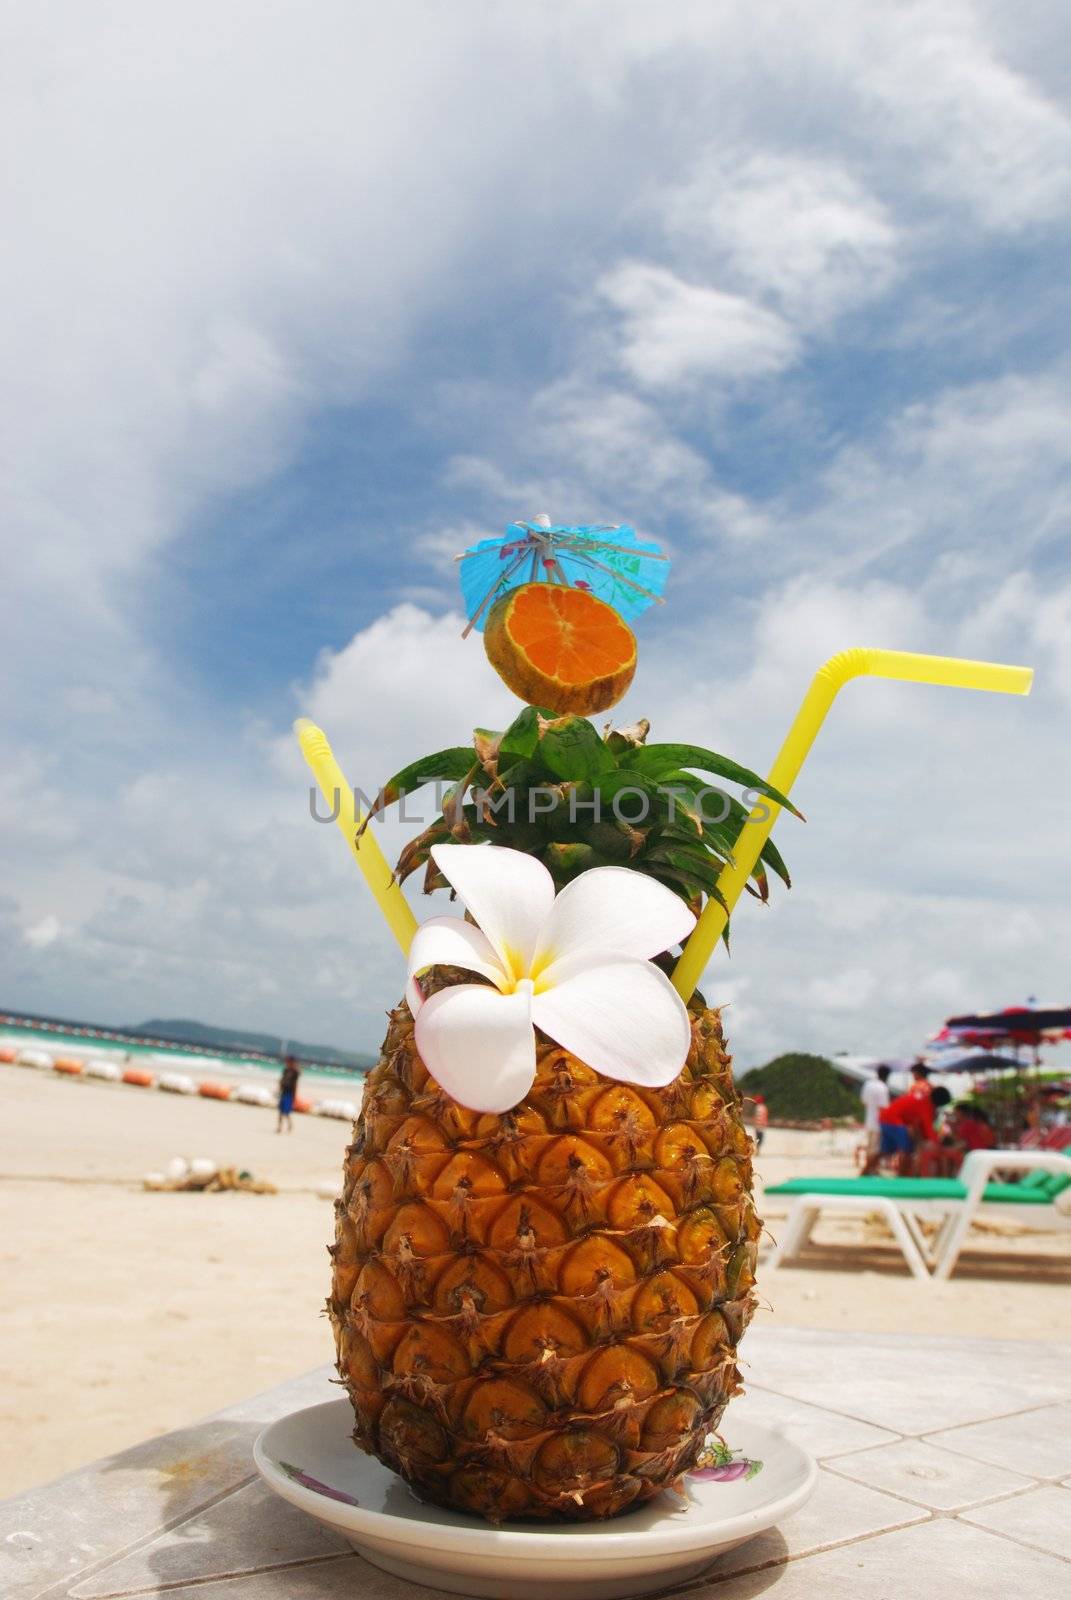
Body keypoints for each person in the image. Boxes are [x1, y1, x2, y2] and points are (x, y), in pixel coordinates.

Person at [878, 1082, 950, 1175]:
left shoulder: (923, 1098)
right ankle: (902, 1178)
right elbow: (927, 1128)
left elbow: (919, 1125)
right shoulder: (927, 1104)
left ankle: (864, 1173)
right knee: (907, 1149)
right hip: (895, 1121)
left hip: (886, 1118)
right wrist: (937, 1143)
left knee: (884, 1151)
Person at [861, 1066, 891, 1173]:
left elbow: (864, 1102)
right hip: (878, 1122)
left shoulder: (868, 1084)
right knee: (876, 1148)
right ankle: (872, 1169)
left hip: (868, 1120)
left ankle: (869, 1168)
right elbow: (883, 1107)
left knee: (870, 1147)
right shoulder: (883, 1087)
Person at [277, 1055, 301, 1133]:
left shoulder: (295, 1072)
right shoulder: (285, 1070)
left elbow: (295, 1084)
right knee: (280, 1111)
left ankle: (290, 1125)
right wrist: (279, 1089)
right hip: (284, 1092)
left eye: (288, 1061)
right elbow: (282, 1080)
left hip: (289, 1093)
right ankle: (279, 1127)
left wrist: (294, 1096)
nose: (287, 1063)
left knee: (286, 1112)